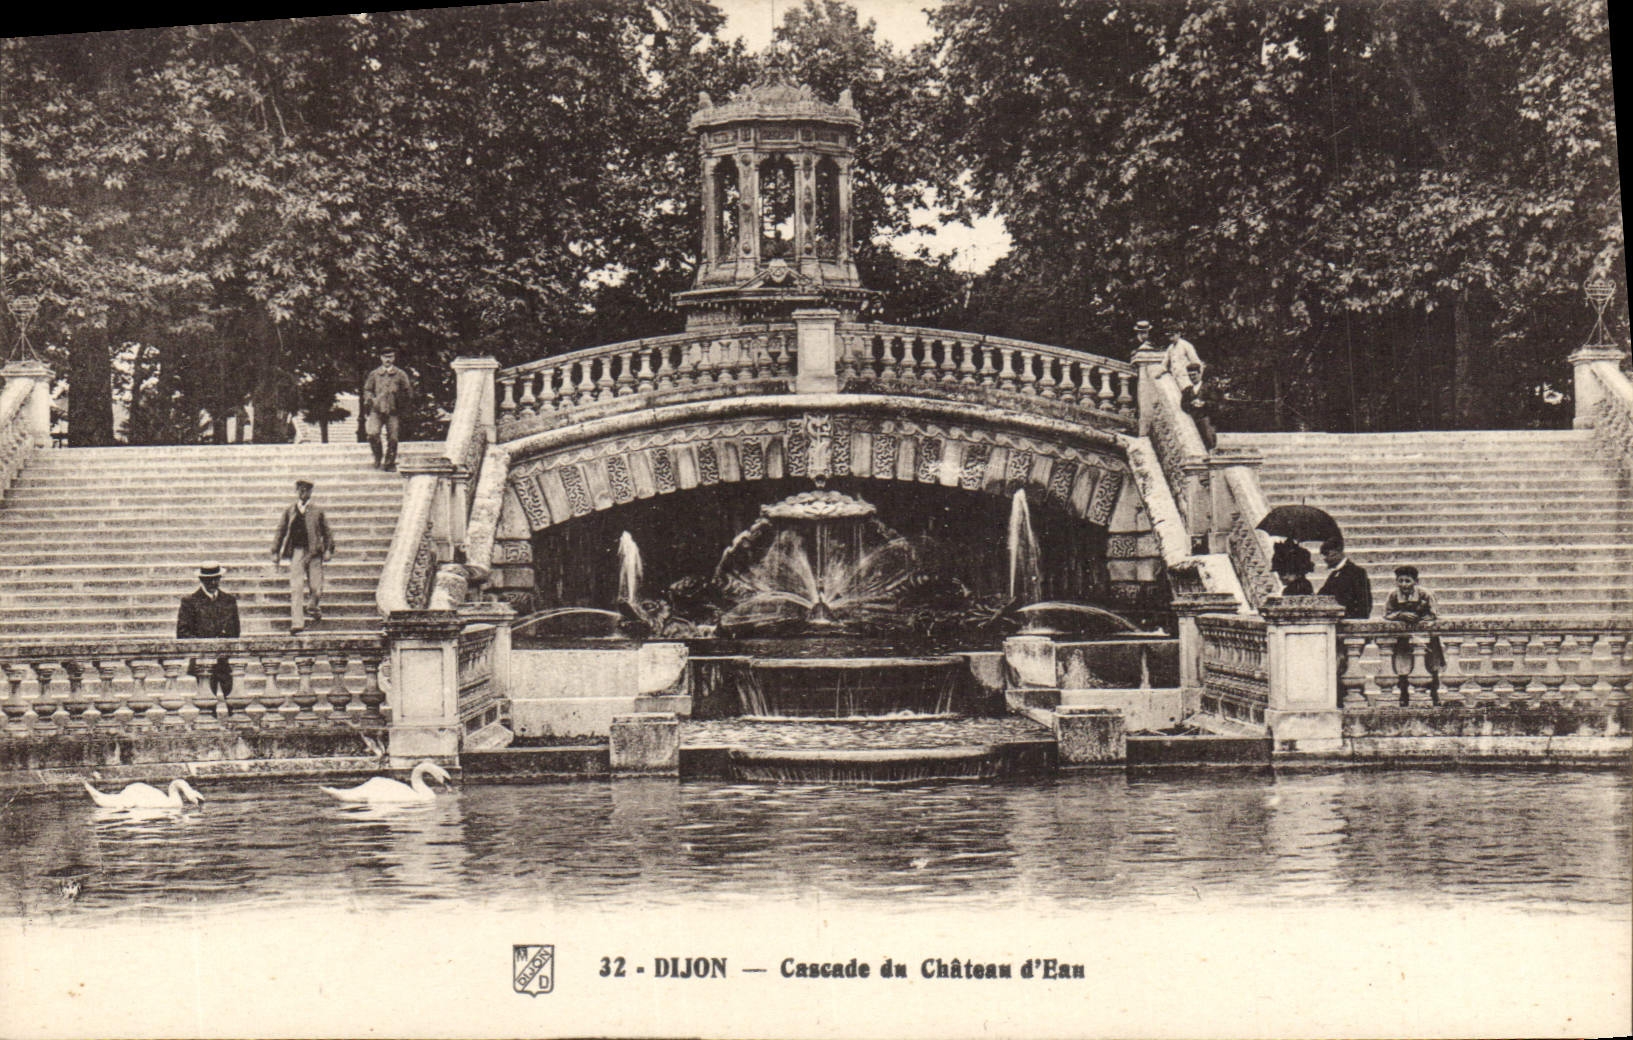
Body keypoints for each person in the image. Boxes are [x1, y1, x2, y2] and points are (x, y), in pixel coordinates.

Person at [271, 479, 335, 634]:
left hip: (314, 553)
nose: (303, 493)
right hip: (297, 552)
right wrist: (275, 551)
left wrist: (329, 549)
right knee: (296, 587)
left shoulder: (317, 511)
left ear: (311, 492)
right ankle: (297, 622)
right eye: (300, 490)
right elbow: (281, 530)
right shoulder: (290, 511)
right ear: (297, 491)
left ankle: (313, 606)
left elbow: (327, 532)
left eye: (306, 490)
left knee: (316, 588)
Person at [1384, 564, 1444, 706]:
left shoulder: (1426, 594)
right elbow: (1387, 614)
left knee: (1431, 664)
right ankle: (1404, 694)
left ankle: (1434, 694)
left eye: (1407, 581)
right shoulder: (1393, 595)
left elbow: (1435, 614)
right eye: (1400, 581)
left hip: (1425, 636)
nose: (1404, 584)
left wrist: (1420, 619)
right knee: (1402, 665)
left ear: (1416, 581)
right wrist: (1401, 614)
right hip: (1404, 636)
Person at [177, 562, 240, 695]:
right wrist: (204, 645)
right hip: (203, 662)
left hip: (226, 662)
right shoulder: (190, 602)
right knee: (207, 704)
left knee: (235, 703)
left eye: (216, 579)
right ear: (201, 580)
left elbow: (236, 631)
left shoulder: (229, 600)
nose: (213, 583)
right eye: (209, 580)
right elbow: (182, 633)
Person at [363, 348, 414, 470]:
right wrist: (370, 399)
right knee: (372, 434)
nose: (388, 359)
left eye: (391, 356)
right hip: (377, 409)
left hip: (393, 410)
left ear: (394, 358)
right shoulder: (374, 374)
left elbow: (408, 391)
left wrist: (402, 404)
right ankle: (378, 456)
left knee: (393, 438)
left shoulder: (400, 374)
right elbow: (367, 389)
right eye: (385, 357)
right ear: (381, 358)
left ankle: (389, 462)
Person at [1316, 537, 1372, 619]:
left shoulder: (1357, 572)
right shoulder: (1334, 574)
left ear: (1338, 551)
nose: (1325, 559)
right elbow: (1322, 595)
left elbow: (1364, 603)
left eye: (1327, 554)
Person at [1179, 363, 1218, 449]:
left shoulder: (1209, 387)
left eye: (1194, 375)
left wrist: (1204, 403)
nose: (1192, 377)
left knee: (1208, 442)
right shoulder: (1188, 390)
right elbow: (1183, 405)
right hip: (1192, 421)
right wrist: (1191, 404)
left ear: (1200, 374)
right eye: (1190, 375)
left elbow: (1215, 403)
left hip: (1206, 420)